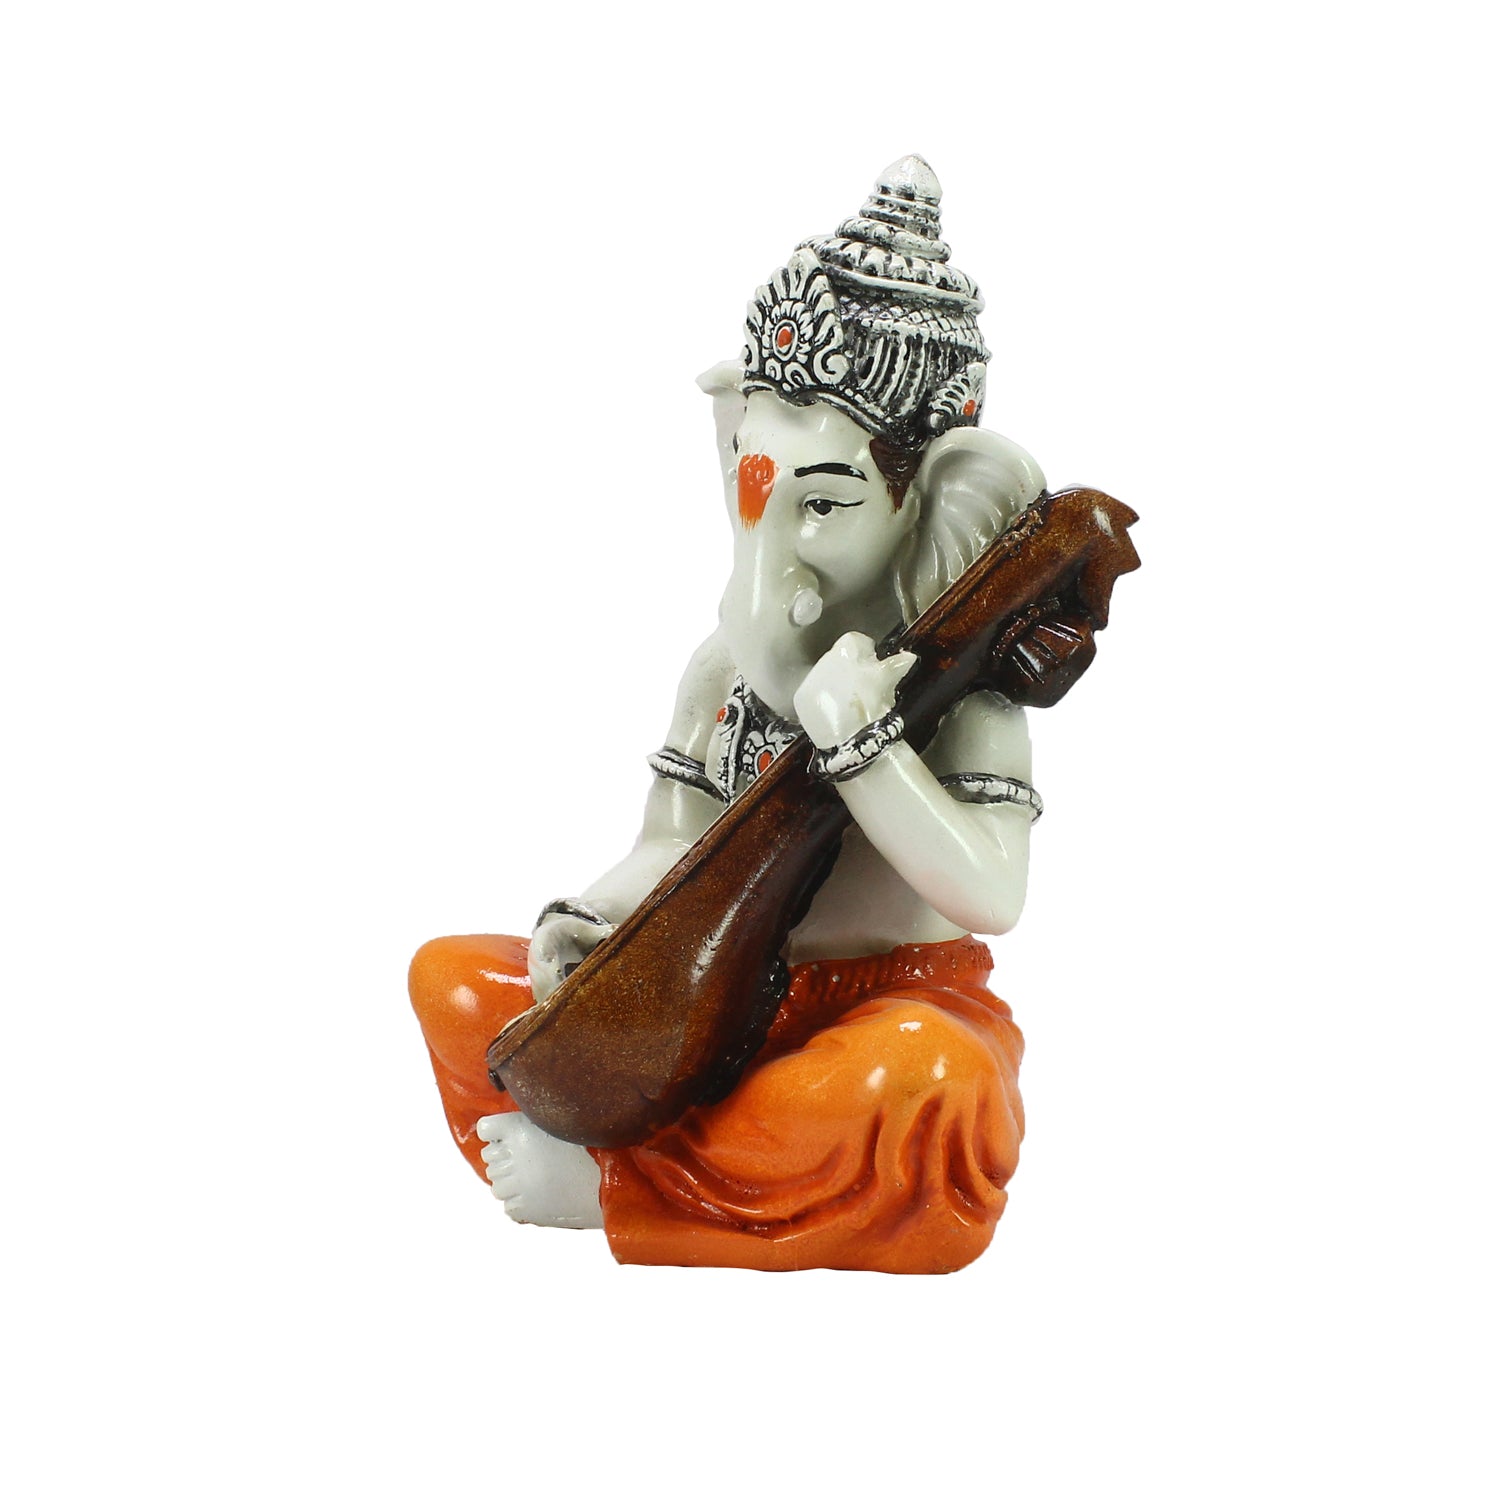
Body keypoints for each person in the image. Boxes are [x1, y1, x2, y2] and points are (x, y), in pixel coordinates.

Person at [410, 156, 1048, 1273]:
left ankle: (626, 1192)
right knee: (457, 985)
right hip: (703, 996)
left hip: (887, 1010)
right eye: (760, 488)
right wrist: (593, 922)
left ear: (937, 499)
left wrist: (867, 747)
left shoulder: (965, 693)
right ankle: (718, 1174)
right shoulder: (727, 669)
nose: (778, 548)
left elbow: (991, 896)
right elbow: (670, 841)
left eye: (828, 504)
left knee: (925, 1087)